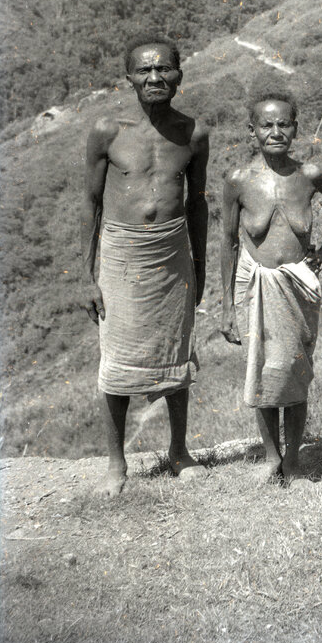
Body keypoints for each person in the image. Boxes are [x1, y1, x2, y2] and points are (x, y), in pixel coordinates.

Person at [81, 34, 210, 497]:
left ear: (179, 73)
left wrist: (200, 265)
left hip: (173, 251)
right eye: (144, 70)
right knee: (115, 362)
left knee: (176, 353)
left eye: (164, 69)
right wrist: (86, 275)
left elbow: (197, 203)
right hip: (121, 255)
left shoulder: (193, 133)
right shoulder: (107, 131)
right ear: (129, 77)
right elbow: (91, 202)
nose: (155, 77)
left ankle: (179, 452)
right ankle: (116, 464)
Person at [219, 84, 322, 486]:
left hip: (297, 286)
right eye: (266, 125)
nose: (275, 132)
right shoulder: (238, 181)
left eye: (284, 124)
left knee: (293, 368)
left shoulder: (308, 175)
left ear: (295, 129)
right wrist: (225, 304)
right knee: (262, 369)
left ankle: (293, 458)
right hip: (255, 284)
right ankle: (272, 457)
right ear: (251, 131)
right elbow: (226, 241)